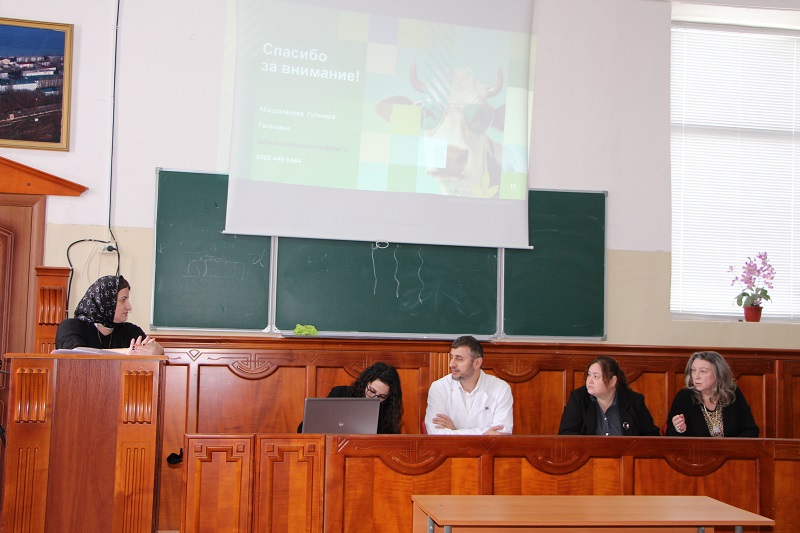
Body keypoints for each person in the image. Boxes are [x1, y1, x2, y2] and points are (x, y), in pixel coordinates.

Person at [424, 335, 513, 435]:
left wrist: (455, 431)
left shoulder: (501, 388)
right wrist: (483, 433)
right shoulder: (439, 388)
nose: (451, 364)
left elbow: (501, 433)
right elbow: (435, 433)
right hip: (452, 447)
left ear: (477, 363)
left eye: (459, 359)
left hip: (484, 448)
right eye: (451, 357)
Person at [55, 274, 164, 355]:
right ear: (105, 302)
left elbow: (156, 350)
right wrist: (125, 353)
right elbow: (75, 353)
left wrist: (158, 351)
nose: (129, 307)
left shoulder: (130, 331)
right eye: (123, 300)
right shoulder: (70, 327)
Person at [558, 356, 660, 436]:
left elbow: (651, 436)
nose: (589, 380)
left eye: (596, 376)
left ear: (612, 381)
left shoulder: (634, 401)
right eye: (589, 374)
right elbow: (566, 434)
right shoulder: (578, 398)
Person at [667, 351, 759, 437]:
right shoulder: (684, 397)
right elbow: (670, 437)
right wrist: (680, 430)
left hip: (733, 449)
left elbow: (751, 430)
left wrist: (732, 447)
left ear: (718, 374)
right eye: (693, 370)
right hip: (698, 449)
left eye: (703, 371)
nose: (696, 376)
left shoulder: (732, 393)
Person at [297, 362, 403, 434]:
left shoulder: (388, 409)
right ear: (366, 383)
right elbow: (302, 429)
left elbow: (390, 441)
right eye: (372, 391)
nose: (375, 398)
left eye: (381, 396)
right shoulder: (340, 394)